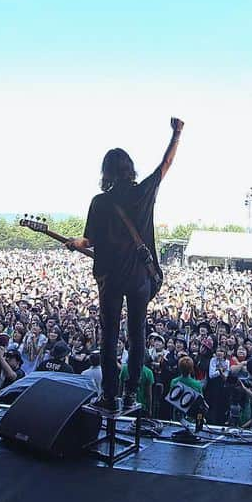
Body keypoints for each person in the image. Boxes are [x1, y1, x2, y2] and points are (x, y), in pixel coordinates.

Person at [65, 117, 183, 412]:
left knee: (109, 338)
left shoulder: (99, 202)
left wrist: (75, 243)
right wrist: (177, 133)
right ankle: (130, 394)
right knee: (137, 334)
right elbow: (165, 165)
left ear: (106, 172)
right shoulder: (143, 192)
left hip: (111, 279)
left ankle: (108, 394)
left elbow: (88, 241)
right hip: (140, 279)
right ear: (129, 169)